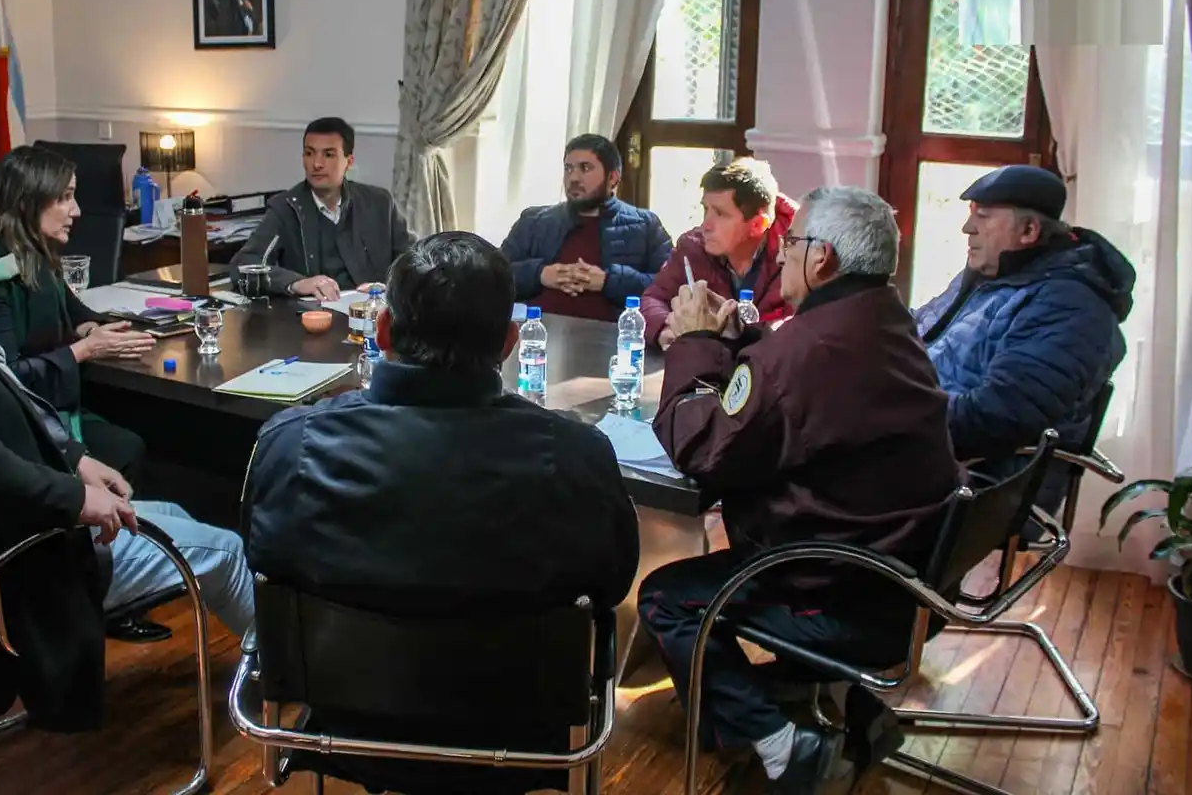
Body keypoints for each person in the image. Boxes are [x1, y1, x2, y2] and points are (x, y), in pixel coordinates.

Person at [0, 179, 254, 731]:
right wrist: (76, 496)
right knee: (225, 548)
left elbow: (3, 414)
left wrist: (76, 456)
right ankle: (286, 677)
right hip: (33, 554)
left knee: (174, 515)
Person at [244, 231, 639, 794]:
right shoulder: (577, 454)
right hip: (518, 730)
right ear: (507, 343)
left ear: (382, 332)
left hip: (347, 719)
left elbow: (266, 558)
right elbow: (612, 582)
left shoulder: (290, 442)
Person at [637, 186, 961, 793]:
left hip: (842, 590)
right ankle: (835, 709)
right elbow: (796, 365)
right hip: (909, 576)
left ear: (823, 260)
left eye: (791, 244)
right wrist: (740, 331)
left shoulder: (806, 352)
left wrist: (694, 343)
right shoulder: (884, 318)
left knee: (665, 598)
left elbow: (701, 448)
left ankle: (780, 742)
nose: (782, 255)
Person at [0, 146, 168, 641]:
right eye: (67, 198)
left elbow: (72, 310)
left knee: (132, 440)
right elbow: (3, 379)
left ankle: (122, 572)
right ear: (31, 201)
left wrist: (95, 328)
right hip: (21, 428)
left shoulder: (34, 253)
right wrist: (82, 352)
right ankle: (99, 593)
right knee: (126, 448)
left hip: (55, 406)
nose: (77, 211)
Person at [914, 165, 1134, 507]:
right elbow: (924, 329)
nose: (967, 228)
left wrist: (892, 411)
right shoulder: (996, 273)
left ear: (1029, 230)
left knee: (815, 475)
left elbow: (999, 415)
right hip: (930, 448)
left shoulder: (1070, 308)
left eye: (983, 217)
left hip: (980, 484)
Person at [229, 117, 414, 301]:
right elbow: (244, 265)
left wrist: (389, 286)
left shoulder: (379, 203)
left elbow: (413, 259)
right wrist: (297, 283)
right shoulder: (286, 208)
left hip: (372, 312)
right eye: (309, 153)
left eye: (328, 154)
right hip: (313, 316)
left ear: (348, 162)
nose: (316, 164)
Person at [499, 134, 672, 321]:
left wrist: (608, 282)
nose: (573, 178)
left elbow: (669, 288)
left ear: (613, 177)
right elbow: (494, 277)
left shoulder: (646, 226)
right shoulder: (534, 221)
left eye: (585, 168)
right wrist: (539, 274)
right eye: (568, 168)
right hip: (538, 336)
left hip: (614, 339)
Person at [641, 158, 797, 351]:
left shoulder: (797, 255)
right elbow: (653, 298)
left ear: (758, 225)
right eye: (705, 210)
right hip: (709, 368)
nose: (706, 225)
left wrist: (739, 333)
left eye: (720, 214)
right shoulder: (692, 247)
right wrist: (664, 330)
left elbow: (802, 327)